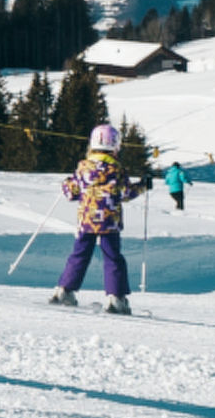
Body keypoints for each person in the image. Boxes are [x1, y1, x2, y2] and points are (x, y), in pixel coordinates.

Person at [50, 123, 149, 315]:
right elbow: (126, 193)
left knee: (79, 255)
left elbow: (71, 193)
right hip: (109, 222)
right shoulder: (116, 169)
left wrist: (67, 183)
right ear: (115, 146)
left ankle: (64, 290)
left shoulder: (83, 168)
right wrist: (143, 185)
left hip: (86, 221)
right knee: (112, 258)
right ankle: (116, 298)